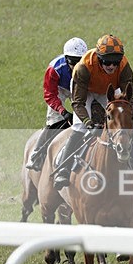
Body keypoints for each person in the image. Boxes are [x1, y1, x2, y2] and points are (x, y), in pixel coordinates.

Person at [53, 34, 133, 189]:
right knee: (79, 128)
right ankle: (63, 169)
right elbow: (78, 103)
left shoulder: (124, 67)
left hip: (108, 92)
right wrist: (88, 123)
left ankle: (132, 169)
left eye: (115, 62)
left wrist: (125, 117)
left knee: (124, 129)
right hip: (85, 92)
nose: (112, 66)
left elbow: (131, 99)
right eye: (107, 62)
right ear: (99, 58)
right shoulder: (83, 67)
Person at [26, 37, 88, 171]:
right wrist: (62, 111)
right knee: (54, 122)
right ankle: (36, 154)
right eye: (73, 62)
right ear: (66, 59)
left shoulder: (89, 66)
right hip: (59, 89)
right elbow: (50, 94)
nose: (77, 65)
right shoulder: (54, 68)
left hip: (78, 87)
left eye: (80, 61)